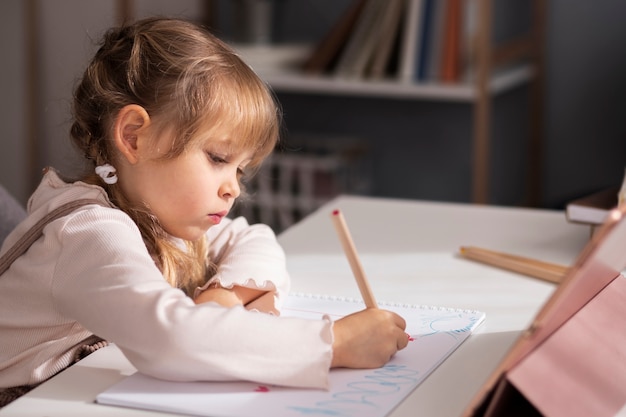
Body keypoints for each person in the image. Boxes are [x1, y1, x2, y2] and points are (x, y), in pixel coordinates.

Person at [0, 17, 408, 406]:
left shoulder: (157, 214)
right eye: (217, 158)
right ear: (133, 137)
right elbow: (172, 341)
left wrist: (223, 293)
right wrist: (333, 343)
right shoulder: (89, 233)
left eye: (240, 168)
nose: (234, 187)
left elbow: (253, 237)